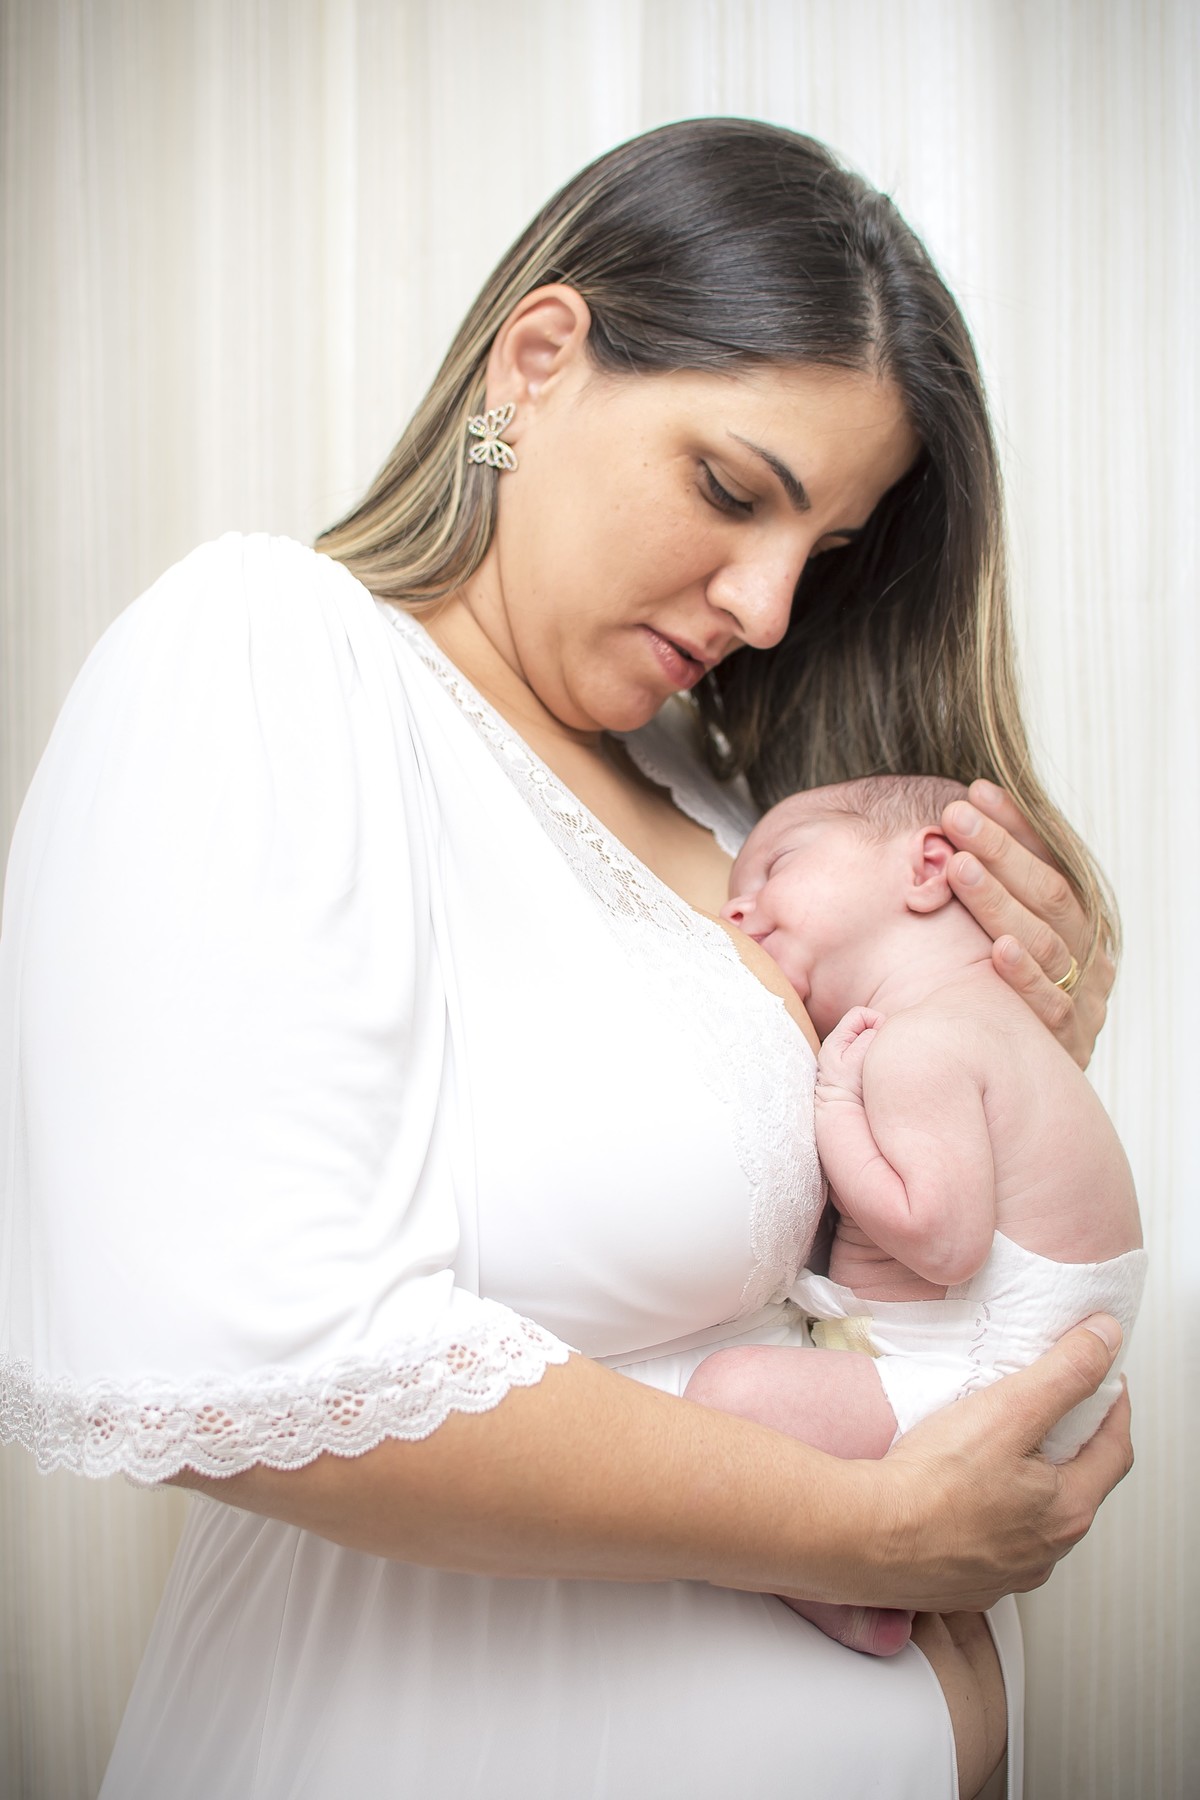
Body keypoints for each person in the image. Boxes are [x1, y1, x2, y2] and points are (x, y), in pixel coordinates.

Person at [0, 119, 1133, 1800]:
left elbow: (852, 1271)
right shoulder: (275, 657)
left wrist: (1011, 1057)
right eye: (732, 489)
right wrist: (875, 1530)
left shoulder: (729, 811)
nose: (768, 608)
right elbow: (248, 1356)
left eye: (824, 554)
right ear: (537, 363)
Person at [684, 773, 1146, 1658]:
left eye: (776, 866)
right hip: (1028, 1383)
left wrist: (834, 1107)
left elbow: (942, 1239)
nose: (737, 910)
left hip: (979, 1387)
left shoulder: (921, 1044)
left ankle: (851, 1598)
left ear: (930, 866)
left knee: (726, 1398)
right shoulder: (999, 1028)